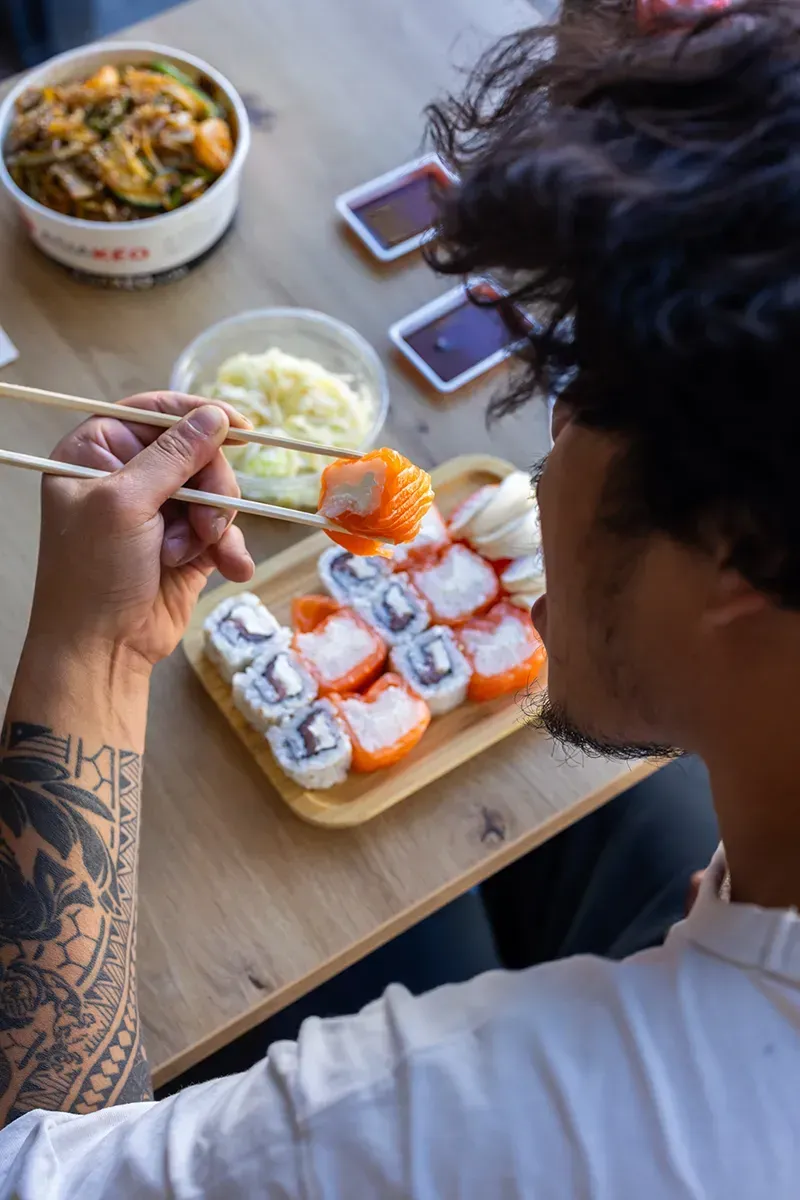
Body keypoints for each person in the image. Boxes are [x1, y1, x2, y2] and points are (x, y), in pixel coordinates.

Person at [2, 0, 800, 1193]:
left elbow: (33, 1171)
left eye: (578, 392)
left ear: (737, 548)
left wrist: (94, 654)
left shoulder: (456, 1120)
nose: (545, 447)